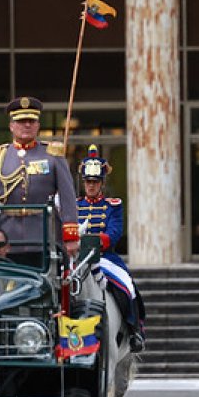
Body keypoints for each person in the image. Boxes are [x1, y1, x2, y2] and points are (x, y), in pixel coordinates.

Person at [0, 96, 80, 266]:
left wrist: (70, 235)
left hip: (44, 233)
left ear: (38, 125)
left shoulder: (52, 155)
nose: (27, 125)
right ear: (11, 126)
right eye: (21, 121)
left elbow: (67, 196)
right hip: (6, 236)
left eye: (31, 121)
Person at [75, 145, 145, 353]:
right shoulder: (74, 206)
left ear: (102, 183)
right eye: (88, 181)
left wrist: (92, 242)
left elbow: (114, 232)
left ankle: (134, 330)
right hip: (77, 258)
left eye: (95, 182)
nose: (91, 186)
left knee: (127, 286)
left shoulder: (113, 205)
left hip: (105, 257)